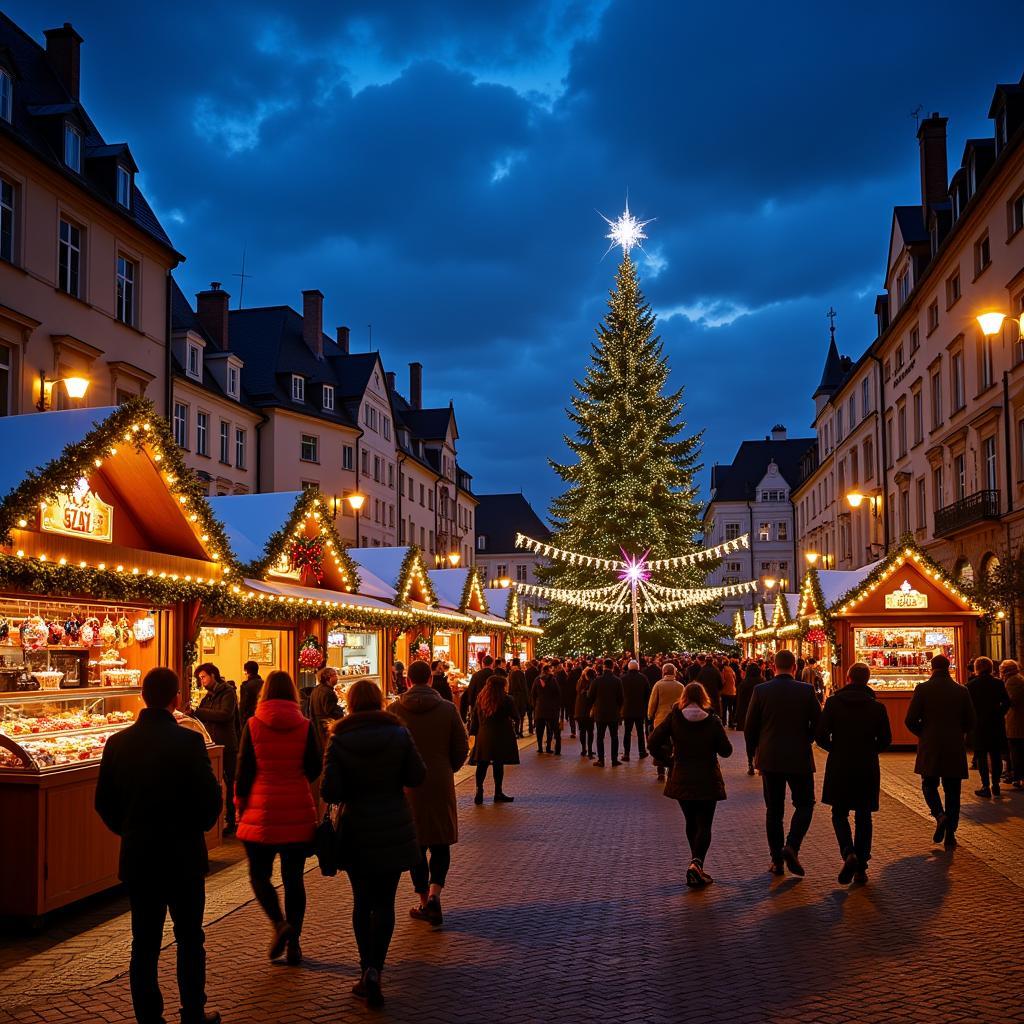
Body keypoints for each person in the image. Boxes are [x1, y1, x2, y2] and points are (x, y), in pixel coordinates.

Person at [95, 667, 222, 1024]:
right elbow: (210, 798)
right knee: (190, 939)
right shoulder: (189, 741)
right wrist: (196, 828)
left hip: (140, 857)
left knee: (144, 944)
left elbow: (104, 801)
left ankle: (149, 1017)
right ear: (176, 699)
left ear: (142, 697)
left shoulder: (118, 743)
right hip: (183, 855)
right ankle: (193, 1013)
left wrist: (129, 830)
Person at [321, 680, 426, 1009]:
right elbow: (416, 776)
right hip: (393, 825)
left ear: (350, 703)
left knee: (361, 901)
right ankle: (376, 968)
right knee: (385, 902)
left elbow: (330, 791)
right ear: (380, 702)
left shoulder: (339, 738)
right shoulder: (399, 734)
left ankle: (365, 966)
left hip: (356, 829)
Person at [235, 670, 320, 964]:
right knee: (294, 878)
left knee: (259, 875)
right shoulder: (306, 725)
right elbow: (314, 766)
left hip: (261, 808)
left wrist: (239, 804)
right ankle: (294, 941)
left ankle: (278, 923)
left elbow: (244, 770)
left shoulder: (253, 724)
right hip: (297, 807)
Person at [393, 660, 470, 928]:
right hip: (439, 782)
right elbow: (462, 746)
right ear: (430, 679)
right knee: (440, 842)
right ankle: (436, 893)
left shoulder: (394, 710)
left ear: (408, 681)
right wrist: (448, 768)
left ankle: (424, 900)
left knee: (416, 844)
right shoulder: (448, 709)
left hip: (407, 786)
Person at [744, 649, 821, 877]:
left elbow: (750, 728)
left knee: (774, 810)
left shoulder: (761, 691)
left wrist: (758, 750)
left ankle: (776, 860)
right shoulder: (806, 691)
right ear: (794, 668)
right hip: (798, 757)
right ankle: (792, 845)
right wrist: (805, 739)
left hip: (770, 758)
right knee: (805, 804)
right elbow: (818, 724)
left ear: (773, 667)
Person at [648, 681, 732, 887]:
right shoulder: (712, 720)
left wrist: (668, 759)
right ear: (704, 698)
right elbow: (726, 750)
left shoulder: (675, 717)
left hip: (682, 775)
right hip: (707, 777)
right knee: (704, 823)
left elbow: (653, 741)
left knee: (691, 822)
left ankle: (696, 864)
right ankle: (697, 863)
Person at [815, 662, 891, 885]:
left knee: (839, 813)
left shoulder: (833, 703)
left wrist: (835, 748)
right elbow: (886, 740)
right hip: (866, 765)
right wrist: (870, 750)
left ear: (848, 678)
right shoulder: (877, 707)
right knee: (864, 816)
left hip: (840, 763)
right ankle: (861, 866)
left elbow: (820, 735)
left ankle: (848, 852)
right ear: (867, 680)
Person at [904, 654, 977, 850]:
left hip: (931, 745)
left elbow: (910, 719)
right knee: (953, 791)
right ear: (948, 667)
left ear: (932, 668)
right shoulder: (962, 690)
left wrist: (924, 733)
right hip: (954, 746)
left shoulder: (923, 689)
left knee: (929, 783)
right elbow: (971, 720)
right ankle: (951, 834)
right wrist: (958, 732)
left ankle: (939, 814)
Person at [192, 662, 240, 836]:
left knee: (229, 781)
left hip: (227, 744)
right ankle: (220, 821)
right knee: (217, 783)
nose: (202, 681)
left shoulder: (227, 693)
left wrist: (199, 712)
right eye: (200, 678)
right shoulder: (208, 696)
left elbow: (225, 714)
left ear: (213, 675)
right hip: (213, 744)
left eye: (203, 677)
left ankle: (231, 820)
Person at [469, 672, 520, 803]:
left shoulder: (480, 698)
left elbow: (474, 719)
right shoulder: (507, 699)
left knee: (482, 764)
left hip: (484, 736)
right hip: (501, 736)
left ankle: (479, 791)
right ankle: (498, 792)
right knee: (498, 764)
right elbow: (516, 716)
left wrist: (473, 734)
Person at [966, 656, 1011, 798]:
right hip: (995, 724)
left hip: (978, 725)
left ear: (976, 668)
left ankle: (985, 785)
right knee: (995, 755)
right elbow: (1007, 702)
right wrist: (999, 713)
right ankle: (996, 784)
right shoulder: (998, 684)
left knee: (981, 756)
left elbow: (967, 707)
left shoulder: (970, 686)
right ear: (991, 668)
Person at [648, 663, 684, 781]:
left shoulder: (658, 685)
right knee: (675, 745)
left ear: (663, 672)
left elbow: (653, 702)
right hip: (676, 720)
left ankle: (661, 772)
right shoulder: (680, 686)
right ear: (674, 672)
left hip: (660, 719)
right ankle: (672, 770)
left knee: (660, 744)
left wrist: (650, 715)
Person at [589, 658, 624, 767]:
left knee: (600, 737)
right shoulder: (617, 680)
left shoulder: (597, 680)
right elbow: (621, 698)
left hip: (600, 712)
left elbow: (590, 696)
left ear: (604, 666)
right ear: (612, 667)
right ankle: (614, 759)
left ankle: (601, 760)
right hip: (613, 712)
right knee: (614, 737)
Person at [735, 662, 763, 773]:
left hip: (748, 716)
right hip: (761, 717)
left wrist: (738, 718)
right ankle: (760, 763)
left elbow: (740, 703)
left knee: (749, 740)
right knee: (761, 741)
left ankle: (750, 763)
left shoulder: (743, 684)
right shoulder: (763, 683)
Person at [620, 660, 649, 761]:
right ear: (637, 668)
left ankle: (626, 754)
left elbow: (619, 695)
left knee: (627, 732)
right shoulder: (643, 678)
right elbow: (647, 694)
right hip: (640, 709)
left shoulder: (623, 679)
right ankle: (642, 751)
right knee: (640, 732)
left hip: (627, 709)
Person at [1002, 659, 1024, 789]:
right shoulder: (1018, 679)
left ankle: (1017, 776)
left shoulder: (1012, 681)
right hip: (1016, 720)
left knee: (1016, 750)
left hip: (1015, 721)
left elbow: (1010, 701)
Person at [531, 664, 563, 755]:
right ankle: (553, 748)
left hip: (540, 708)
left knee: (539, 730)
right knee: (553, 730)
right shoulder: (553, 680)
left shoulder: (537, 680)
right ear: (549, 671)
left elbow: (533, 694)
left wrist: (535, 705)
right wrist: (557, 706)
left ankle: (540, 748)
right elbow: (558, 694)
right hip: (551, 709)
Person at [309, 666, 344, 748]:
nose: (337, 677)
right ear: (328, 678)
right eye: (335, 675)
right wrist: (341, 711)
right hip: (325, 727)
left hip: (316, 725)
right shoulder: (328, 692)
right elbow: (330, 710)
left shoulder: (316, 689)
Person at [461, 654, 494, 723]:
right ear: (492, 664)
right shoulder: (495, 675)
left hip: (478, 706)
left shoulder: (476, 676)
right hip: (493, 706)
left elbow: (471, 691)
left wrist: (471, 704)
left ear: (482, 664)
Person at [575, 666, 596, 758]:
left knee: (582, 731)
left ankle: (584, 749)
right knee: (590, 731)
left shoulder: (579, 683)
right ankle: (590, 750)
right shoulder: (591, 683)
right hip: (588, 711)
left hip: (579, 710)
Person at [507, 659, 530, 736]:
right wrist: (527, 698)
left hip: (514, 697)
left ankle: (516, 731)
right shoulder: (521, 673)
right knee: (521, 715)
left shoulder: (511, 673)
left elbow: (510, 687)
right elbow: (524, 686)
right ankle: (520, 731)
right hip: (521, 697)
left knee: (515, 715)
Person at [238, 660, 264, 729]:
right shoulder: (265, 684)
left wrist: (241, 724)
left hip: (249, 720)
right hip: (262, 717)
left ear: (246, 671)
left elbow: (243, 706)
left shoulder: (245, 686)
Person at [555, 659, 576, 738]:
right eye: (567, 666)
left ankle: (573, 731)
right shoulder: (560, 674)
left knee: (571, 715)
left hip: (570, 697)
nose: (568, 668)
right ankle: (558, 731)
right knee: (560, 715)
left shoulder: (573, 674)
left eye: (569, 666)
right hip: (562, 696)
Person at [720, 660, 738, 728]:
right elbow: (735, 678)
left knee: (724, 708)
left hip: (725, 691)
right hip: (732, 691)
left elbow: (723, 681)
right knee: (730, 708)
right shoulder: (731, 669)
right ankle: (731, 722)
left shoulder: (723, 670)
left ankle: (724, 722)